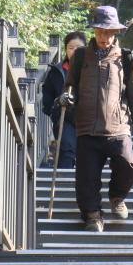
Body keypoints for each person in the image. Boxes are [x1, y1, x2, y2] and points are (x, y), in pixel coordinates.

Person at [57, 6, 133, 232]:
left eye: (109, 32)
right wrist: (66, 97)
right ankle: (93, 216)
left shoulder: (125, 58)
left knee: (129, 163)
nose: (104, 37)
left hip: (117, 126)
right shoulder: (80, 56)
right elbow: (70, 86)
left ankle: (117, 197)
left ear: (116, 32)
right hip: (86, 125)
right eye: (100, 32)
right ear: (94, 31)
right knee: (86, 177)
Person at [41, 31, 86, 168]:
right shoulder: (56, 72)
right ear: (65, 50)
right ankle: (63, 185)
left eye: (78, 48)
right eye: (71, 48)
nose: (74, 51)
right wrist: (58, 103)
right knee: (66, 150)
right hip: (64, 118)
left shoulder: (94, 69)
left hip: (89, 120)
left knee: (87, 156)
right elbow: (47, 102)